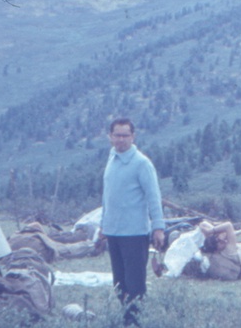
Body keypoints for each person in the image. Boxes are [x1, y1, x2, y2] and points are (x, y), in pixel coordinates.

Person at [101, 118, 165, 325]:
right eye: (117, 135)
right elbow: (107, 196)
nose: (121, 140)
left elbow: (153, 196)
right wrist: (103, 225)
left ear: (133, 136)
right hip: (114, 232)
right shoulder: (112, 158)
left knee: (135, 282)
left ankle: (135, 321)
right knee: (119, 282)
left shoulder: (141, 163)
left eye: (125, 135)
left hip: (135, 233)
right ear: (110, 137)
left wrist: (158, 227)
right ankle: (125, 317)